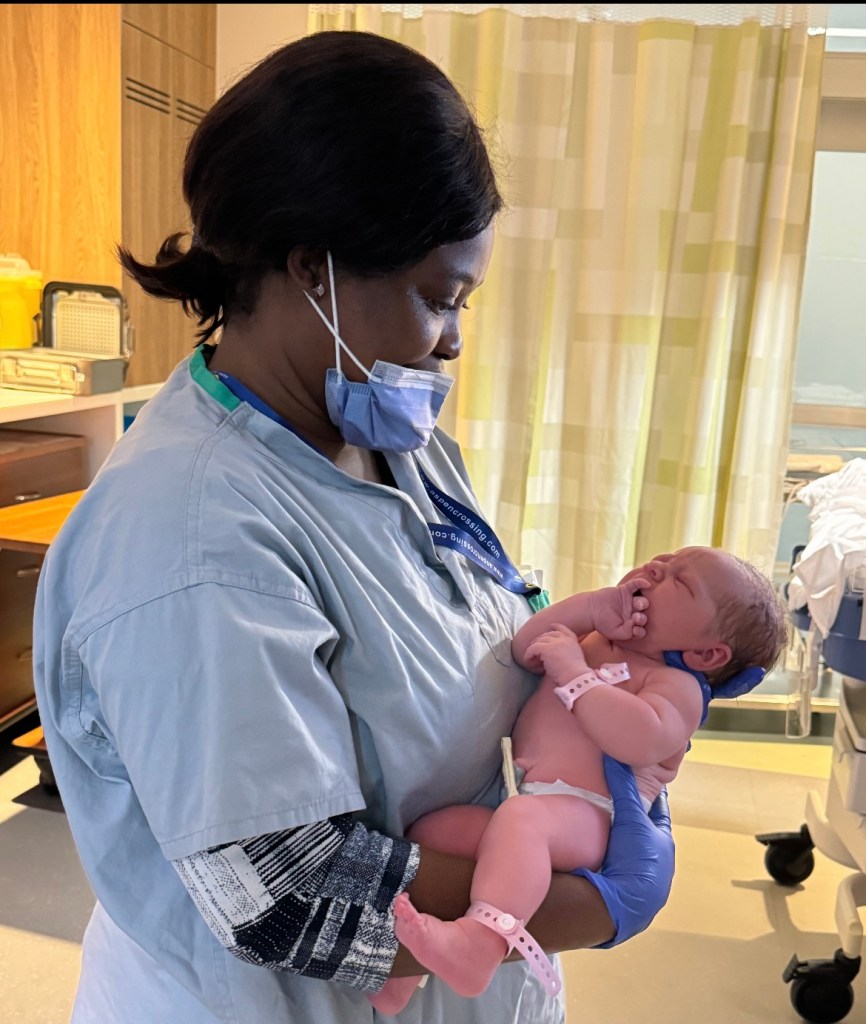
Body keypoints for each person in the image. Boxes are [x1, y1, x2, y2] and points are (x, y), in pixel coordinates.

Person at [32, 31, 675, 1024]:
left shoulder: (393, 443)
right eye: (437, 299)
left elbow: (476, 616)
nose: (452, 341)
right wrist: (581, 902)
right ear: (312, 268)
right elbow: (286, 894)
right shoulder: (193, 537)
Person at [373, 546, 787, 1014]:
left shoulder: (678, 686)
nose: (656, 568)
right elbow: (526, 649)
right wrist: (589, 608)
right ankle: (404, 972)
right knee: (437, 833)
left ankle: (482, 945)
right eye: (663, 560)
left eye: (680, 580)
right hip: (529, 805)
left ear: (705, 653)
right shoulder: (594, 635)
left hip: (591, 815)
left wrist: (575, 672)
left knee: (524, 821)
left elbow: (639, 739)